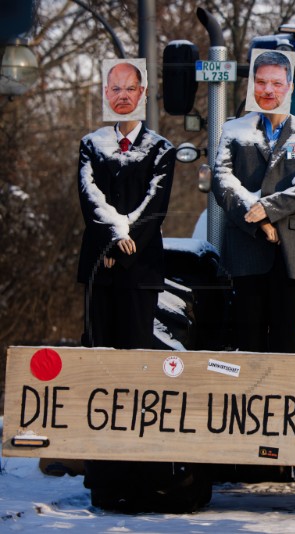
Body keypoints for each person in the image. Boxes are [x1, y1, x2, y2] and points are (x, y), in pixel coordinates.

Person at [77, 72, 179, 510]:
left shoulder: (161, 149)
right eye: (114, 89)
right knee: (99, 365)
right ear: (106, 94)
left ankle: (140, 474)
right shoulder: (90, 143)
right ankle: (102, 477)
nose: (122, 96)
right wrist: (113, 237)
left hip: (141, 271)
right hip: (100, 266)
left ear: (143, 94)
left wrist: (128, 239)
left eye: (129, 89)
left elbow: (156, 205)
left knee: (138, 369)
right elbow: (89, 196)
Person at [212, 53, 295, 354]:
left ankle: (282, 398)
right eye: (262, 82)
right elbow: (222, 181)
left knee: (285, 335)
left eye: (276, 83)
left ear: (289, 86)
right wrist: (258, 220)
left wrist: (270, 208)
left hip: (291, 250)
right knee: (246, 335)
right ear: (253, 86)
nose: (268, 90)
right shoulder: (233, 132)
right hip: (246, 246)